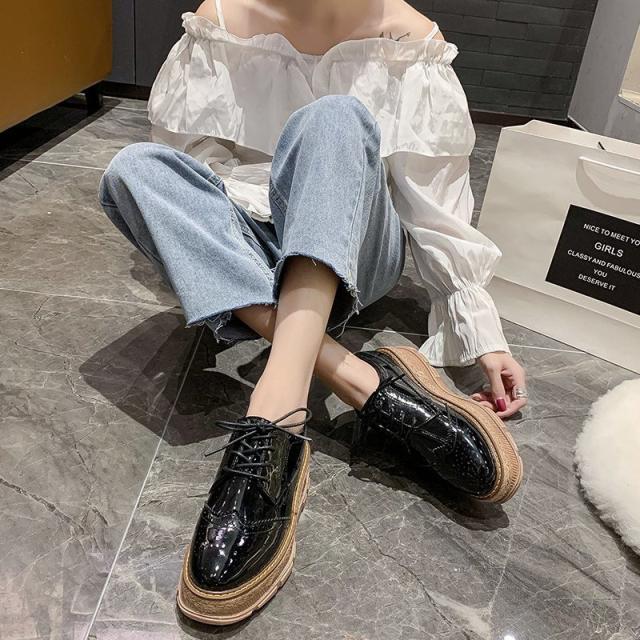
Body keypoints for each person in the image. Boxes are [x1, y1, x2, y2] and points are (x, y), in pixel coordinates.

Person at [99, 0, 528, 625]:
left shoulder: (409, 39)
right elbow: (197, 171)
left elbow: (434, 209)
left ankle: (275, 410)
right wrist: (236, 228)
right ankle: (359, 378)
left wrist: (479, 326)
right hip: (257, 236)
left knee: (335, 117)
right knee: (133, 170)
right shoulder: (218, 19)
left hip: (354, 247)